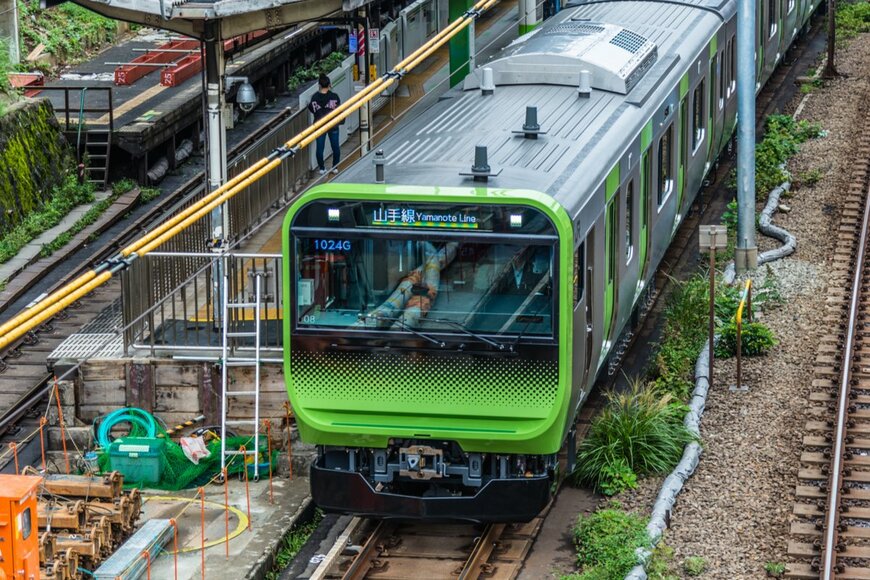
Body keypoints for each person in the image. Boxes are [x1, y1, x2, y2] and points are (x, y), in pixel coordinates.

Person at [308, 74, 342, 175]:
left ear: (319, 85)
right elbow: (339, 109)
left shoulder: (314, 98)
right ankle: (335, 167)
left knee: (320, 148)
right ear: (329, 85)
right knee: (335, 146)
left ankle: (322, 168)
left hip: (319, 125)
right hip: (333, 125)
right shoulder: (334, 97)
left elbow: (312, 109)